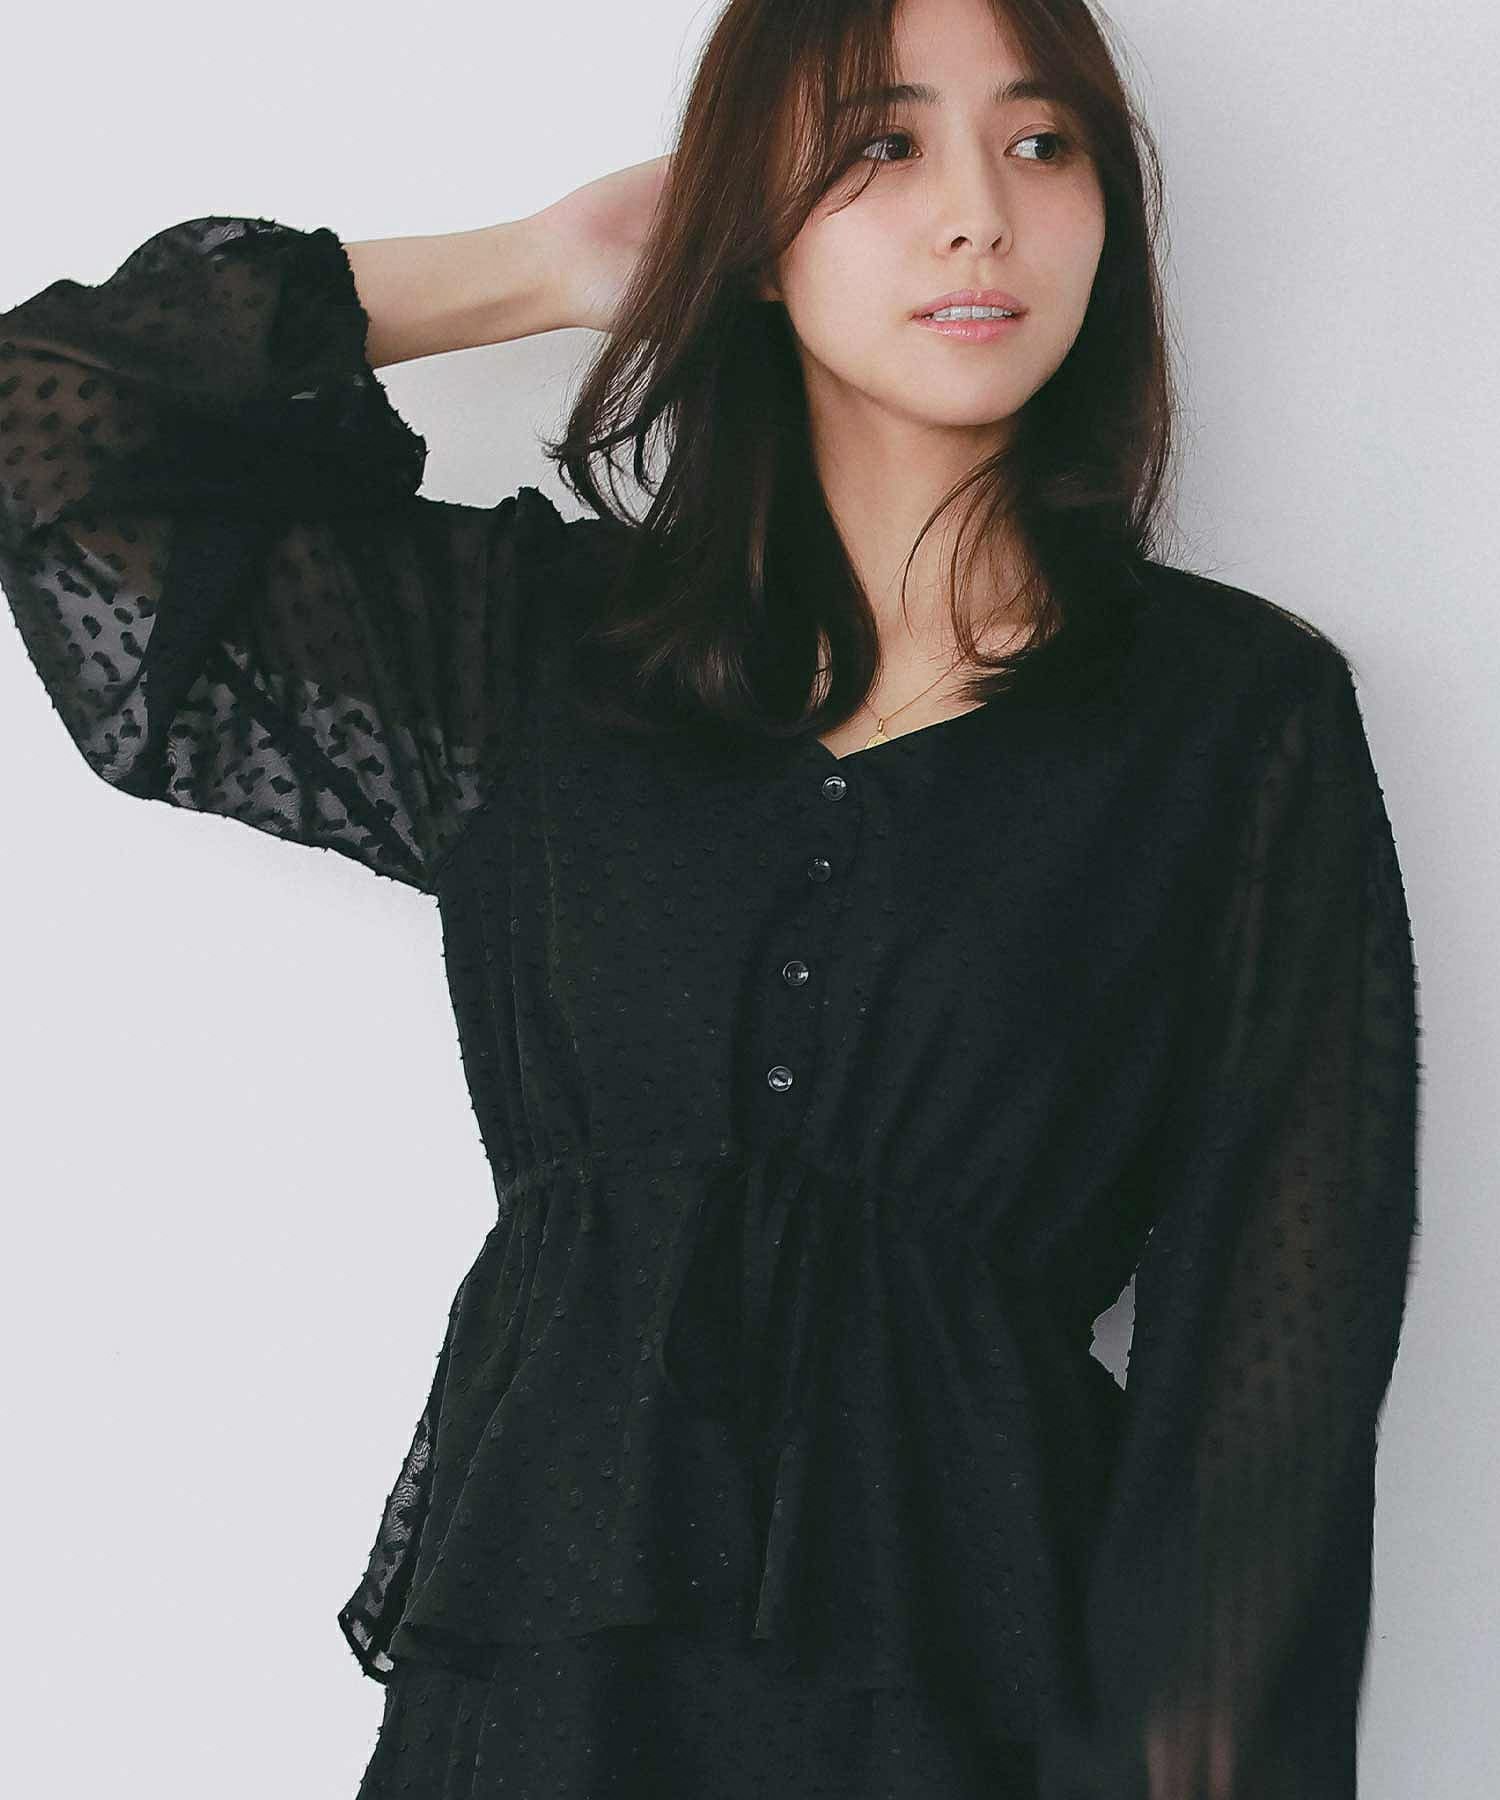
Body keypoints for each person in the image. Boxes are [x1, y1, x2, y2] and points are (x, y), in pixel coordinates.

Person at [0, 0, 1421, 1794]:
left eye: (1042, 143)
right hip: (542, 1715)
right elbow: (49, 424)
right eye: (882, 144)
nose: (979, 213)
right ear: (751, 226)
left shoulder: (1229, 721)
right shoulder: (530, 654)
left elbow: (1269, 1400)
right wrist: (542, 265)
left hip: (967, 1723)